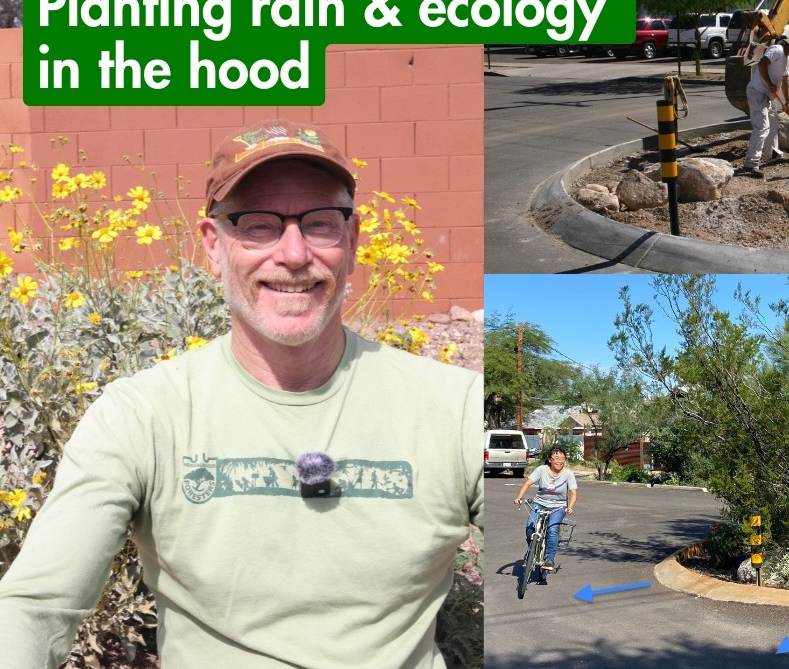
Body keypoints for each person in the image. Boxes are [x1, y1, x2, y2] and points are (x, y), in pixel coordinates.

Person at [0, 119, 483, 669]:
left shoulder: (455, 408)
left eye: (321, 223)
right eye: (258, 225)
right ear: (213, 245)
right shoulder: (143, 416)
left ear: (352, 240)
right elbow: (35, 607)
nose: (294, 253)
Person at [737, 33, 789, 179]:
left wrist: (787, 102)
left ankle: (773, 155)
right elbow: (762, 63)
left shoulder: (786, 58)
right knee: (762, 127)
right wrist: (769, 84)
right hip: (757, 93)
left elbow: (785, 80)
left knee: (774, 125)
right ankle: (750, 164)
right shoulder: (777, 50)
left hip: (768, 96)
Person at [513, 446, 578, 570]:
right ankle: (532, 551)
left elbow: (573, 493)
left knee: (552, 530)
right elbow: (527, 483)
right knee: (530, 527)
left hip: (558, 506)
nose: (559, 461)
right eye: (556, 458)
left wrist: (570, 506)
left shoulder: (568, 474)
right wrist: (519, 497)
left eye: (562, 459)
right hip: (539, 503)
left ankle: (549, 559)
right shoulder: (542, 470)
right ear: (550, 459)